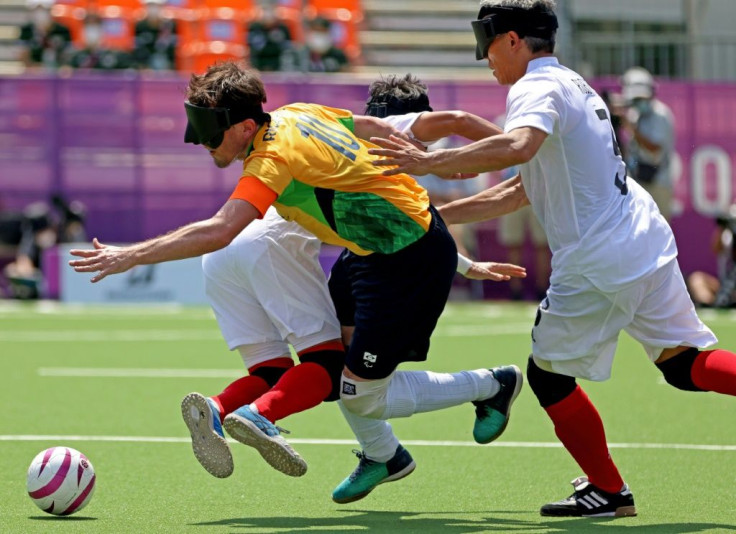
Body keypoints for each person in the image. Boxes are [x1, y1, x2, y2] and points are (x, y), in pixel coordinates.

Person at [69, 60, 524, 493]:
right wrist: (402, 140)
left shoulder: (271, 158)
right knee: (334, 367)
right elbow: (363, 125)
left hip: (409, 260)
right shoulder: (296, 113)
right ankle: (382, 453)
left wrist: (130, 256)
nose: (199, 141)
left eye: (209, 131)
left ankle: (492, 385)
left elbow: (222, 230)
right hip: (367, 256)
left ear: (246, 127)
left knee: (358, 393)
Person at [367, 0, 736, 519]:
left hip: (598, 255)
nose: (484, 56)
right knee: (684, 364)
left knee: (547, 376)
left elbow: (518, 147)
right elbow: (521, 190)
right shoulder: (572, 84)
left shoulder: (536, 87)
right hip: (641, 235)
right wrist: (436, 217)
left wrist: (430, 161)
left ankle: (608, 491)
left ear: (514, 39)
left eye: (487, 41)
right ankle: (607, 488)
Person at [619, 67, 676, 221]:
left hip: (658, 184)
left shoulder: (661, 114)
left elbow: (654, 149)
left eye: (641, 98)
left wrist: (633, 130)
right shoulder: (633, 114)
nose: (639, 102)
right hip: (637, 183)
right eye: (635, 99)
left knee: (658, 237)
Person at [686, 206, 736, 309]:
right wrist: (723, 227)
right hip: (725, 284)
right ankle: (709, 306)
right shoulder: (727, 235)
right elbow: (716, 248)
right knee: (697, 279)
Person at [18, 0, 72, 69]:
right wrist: (32, 66)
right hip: (34, 72)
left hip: (57, 71)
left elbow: (69, 54)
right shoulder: (26, 30)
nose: (40, 12)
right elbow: (22, 53)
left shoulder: (62, 30)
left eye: (44, 9)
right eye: (37, 9)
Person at [133, 0, 178, 71]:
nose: (153, 9)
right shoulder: (140, 26)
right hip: (146, 67)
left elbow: (172, 51)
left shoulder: (170, 25)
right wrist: (143, 67)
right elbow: (138, 49)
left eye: (156, 6)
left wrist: (170, 68)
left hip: (166, 68)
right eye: (150, 6)